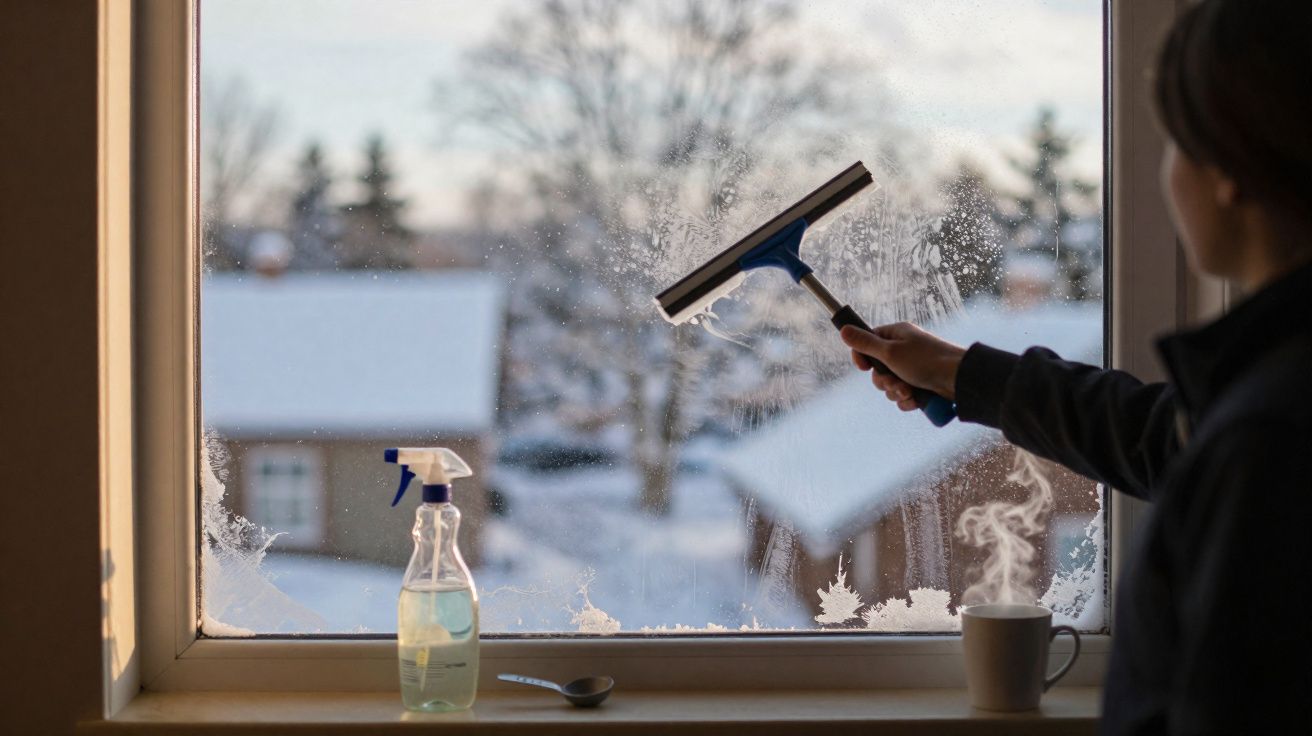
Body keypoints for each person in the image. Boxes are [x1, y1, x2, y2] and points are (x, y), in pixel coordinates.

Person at [840, 1, 1311, 733]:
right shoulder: (1271, 384)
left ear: (1227, 171)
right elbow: (1162, 437)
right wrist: (963, 374)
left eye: (1175, 143)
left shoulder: (1269, 443)